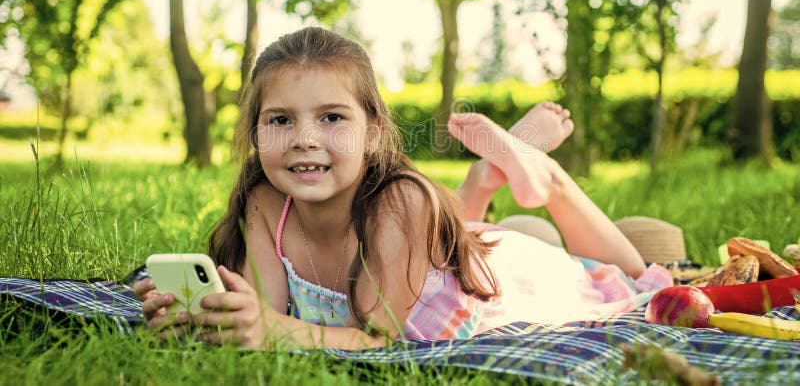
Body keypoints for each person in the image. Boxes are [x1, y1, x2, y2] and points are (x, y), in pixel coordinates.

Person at [134, 27, 671, 350]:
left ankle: (539, 169)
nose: (302, 140)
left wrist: (271, 330)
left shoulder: (398, 202)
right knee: (480, 227)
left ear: (373, 132)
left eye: (331, 118)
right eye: (278, 121)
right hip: (448, 249)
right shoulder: (265, 201)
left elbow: (376, 341)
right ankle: (484, 178)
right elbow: (266, 313)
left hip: (501, 280)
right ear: (254, 132)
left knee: (634, 275)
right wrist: (203, 317)